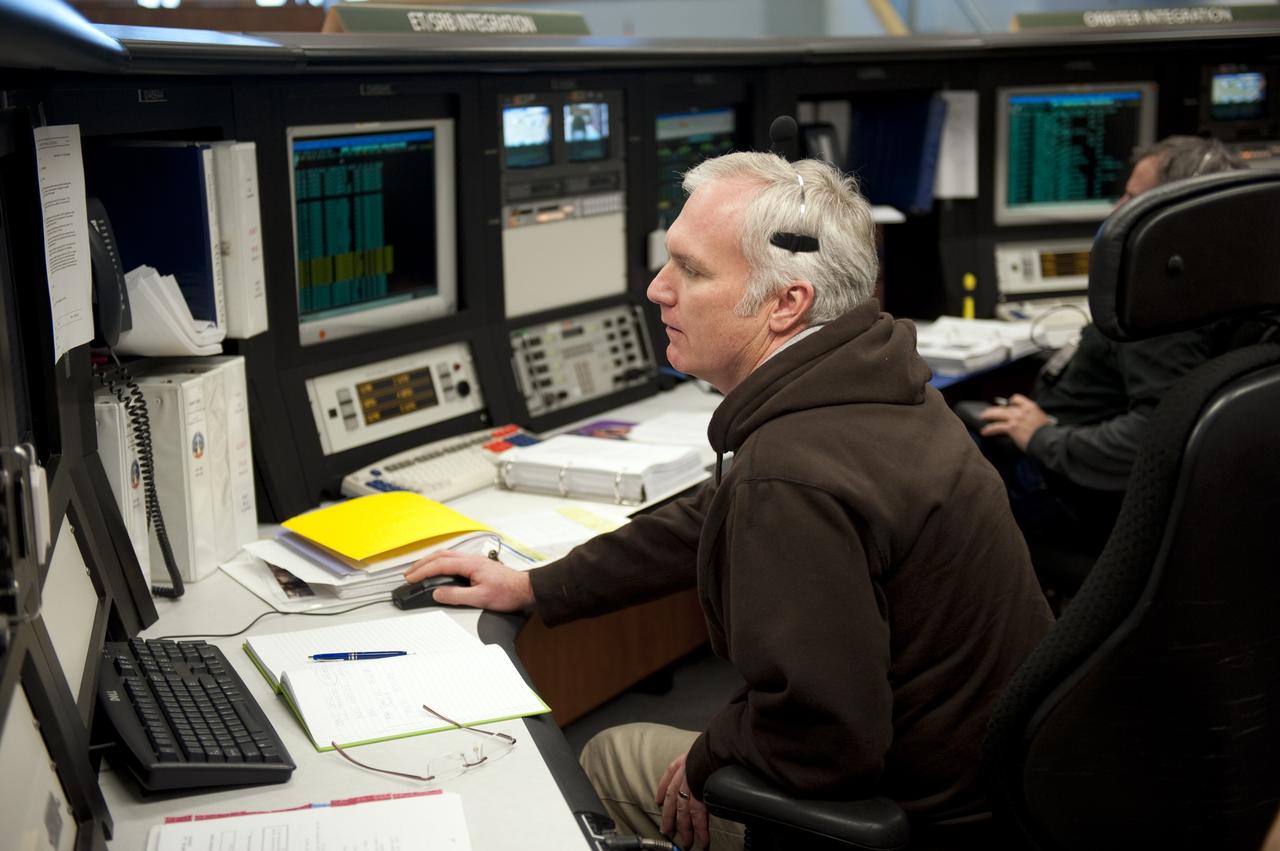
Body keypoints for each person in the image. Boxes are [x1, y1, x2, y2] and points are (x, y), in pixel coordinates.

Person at [406, 152, 1053, 850]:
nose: (658, 289)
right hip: (1008, 783)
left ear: (786, 303)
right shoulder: (875, 385)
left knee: (606, 756)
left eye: (692, 269)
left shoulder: (792, 474)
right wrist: (535, 584)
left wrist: (713, 755)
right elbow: (706, 518)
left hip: (921, 818)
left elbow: (826, 738)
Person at [977, 135, 1248, 554]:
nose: (1117, 210)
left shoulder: (1160, 310)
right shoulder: (1227, 290)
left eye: (1133, 199)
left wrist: (1043, 438)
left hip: (1068, 494)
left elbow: (1155, 436)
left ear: (1173, 217)